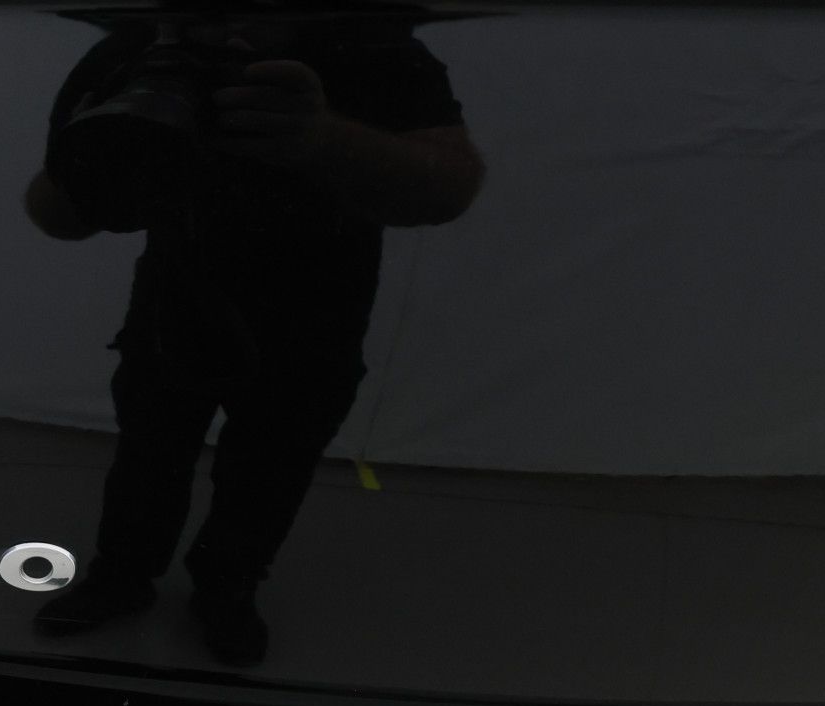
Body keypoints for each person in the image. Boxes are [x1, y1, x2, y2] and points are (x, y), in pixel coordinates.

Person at [29, 5, 485, 665]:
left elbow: (451, 187)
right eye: (212, 19)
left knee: (268, 466)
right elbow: (57, 215)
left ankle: (223, 588)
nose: (232, 34)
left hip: (310, 312)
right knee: (153, 452)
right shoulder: (141, 51)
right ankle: (132, 576)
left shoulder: (371, 49)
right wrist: (108, 153)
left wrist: (322, 138)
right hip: (186, 299)